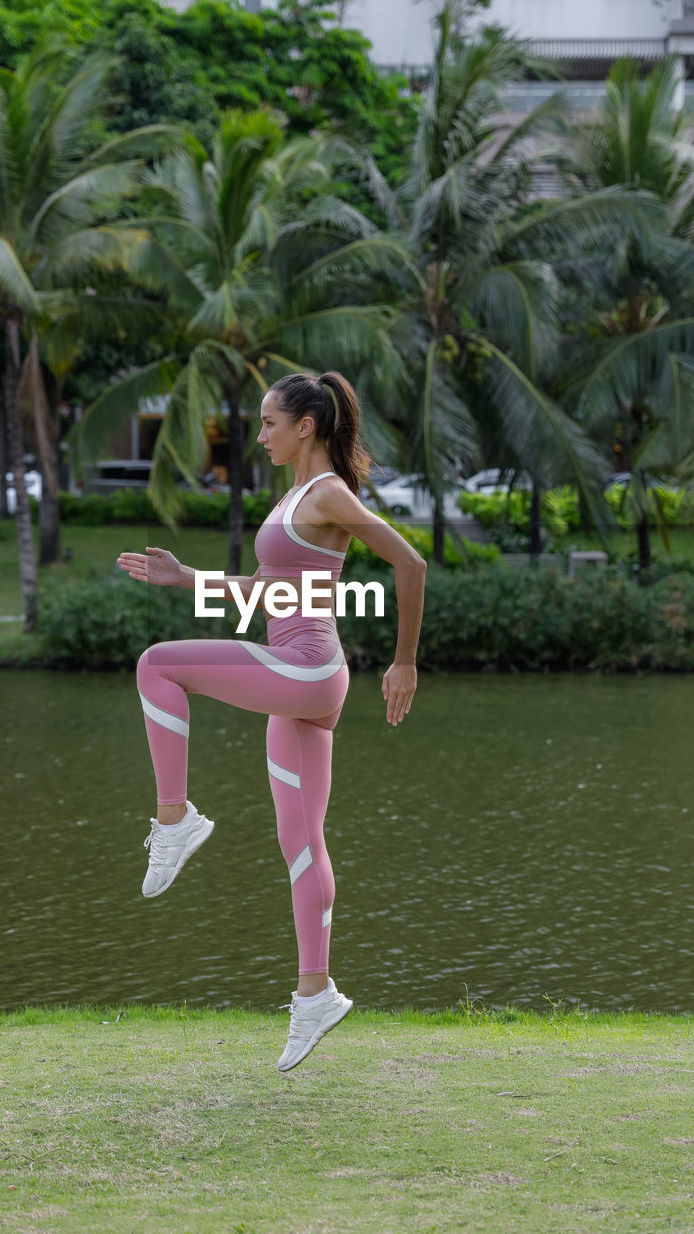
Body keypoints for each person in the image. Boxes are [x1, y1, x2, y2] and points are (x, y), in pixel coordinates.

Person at [117, 371, 426, 1072]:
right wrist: (188, 578)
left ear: (305, 426)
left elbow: (410, 563)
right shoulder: (296, 497)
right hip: (303, 679)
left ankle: (176, 819)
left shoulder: (326, 494)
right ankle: (315, 994)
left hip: (307, 667)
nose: (259, 436)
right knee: (300, 842)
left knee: (157, 665)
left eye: (267, 423)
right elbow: (270, 590)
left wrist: (404, 662)